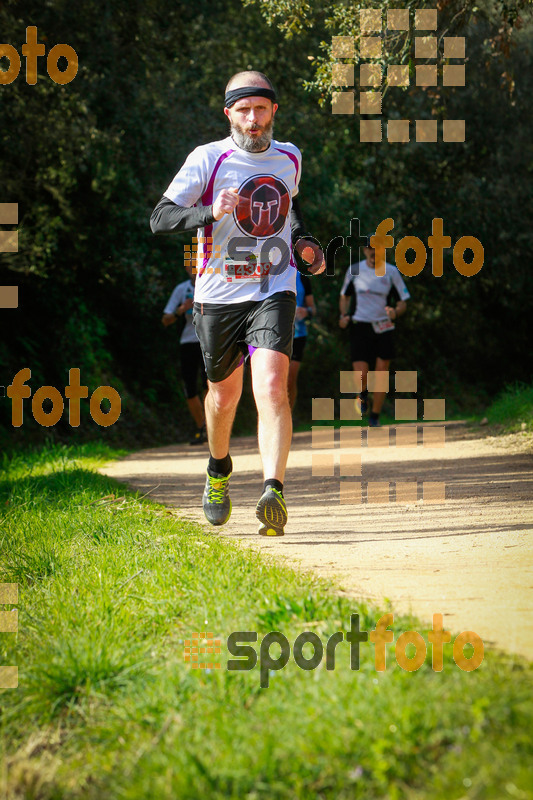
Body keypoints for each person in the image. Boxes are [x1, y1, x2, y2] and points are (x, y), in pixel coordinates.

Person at [150, 70, 324, 536]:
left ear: (274, 112)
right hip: (217, 295)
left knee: (270, 387)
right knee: (223, 398)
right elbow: (160, 218)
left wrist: (306, 243)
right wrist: (211, 211)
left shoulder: (291, 157)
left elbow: (293, 209)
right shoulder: (208, 158)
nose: (253, 119)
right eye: (243, 111)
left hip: (274, 288)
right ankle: (218, 469)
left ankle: (274, 491)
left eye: (261, 110)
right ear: (229, 113)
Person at [339, 236, 410, 426]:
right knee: (361, 374)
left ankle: (374, 417)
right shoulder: (354, 270)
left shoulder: (391, 272)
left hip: (383, 327)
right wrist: (343, 315)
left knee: (381, 372)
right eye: (370, 248)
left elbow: (403, 301)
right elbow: (344, 296)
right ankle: (362, 394)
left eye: (377, 249)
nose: (373, 252)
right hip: (360, 325)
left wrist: (395, 311)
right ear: (364, 251)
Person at [162, 264, 208, 445]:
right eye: (190, 266)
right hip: (188, 341)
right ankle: (201, 426)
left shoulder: (212, 283)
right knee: (189, 388)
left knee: (209, 385)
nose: (193, 268)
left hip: (209, 340)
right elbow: (165, 320)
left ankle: (212, 427)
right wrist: (180, 310)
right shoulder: (181, 289)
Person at [288, 271, 316, 411]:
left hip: (298, 335)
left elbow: (313, 308)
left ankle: (288, 417)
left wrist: (307, 311)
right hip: (273, 335)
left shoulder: (302, 278)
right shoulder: (268, 273)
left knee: (290, 380)